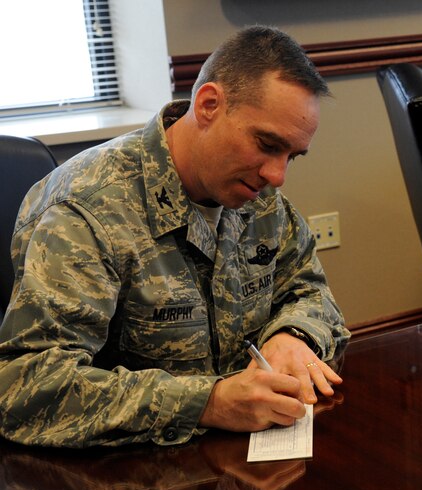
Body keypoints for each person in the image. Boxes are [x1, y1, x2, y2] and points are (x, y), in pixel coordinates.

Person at [0, 26, 350, 447]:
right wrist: (209, 402)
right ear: (208, 105)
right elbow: (26, 388)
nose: (277, 175)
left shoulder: (259, 197)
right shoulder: (87, 210)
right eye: (266, 144)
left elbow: (310, 290)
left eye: (291, 156)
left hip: (239, 460)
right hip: (121, 475)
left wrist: (292, 336)